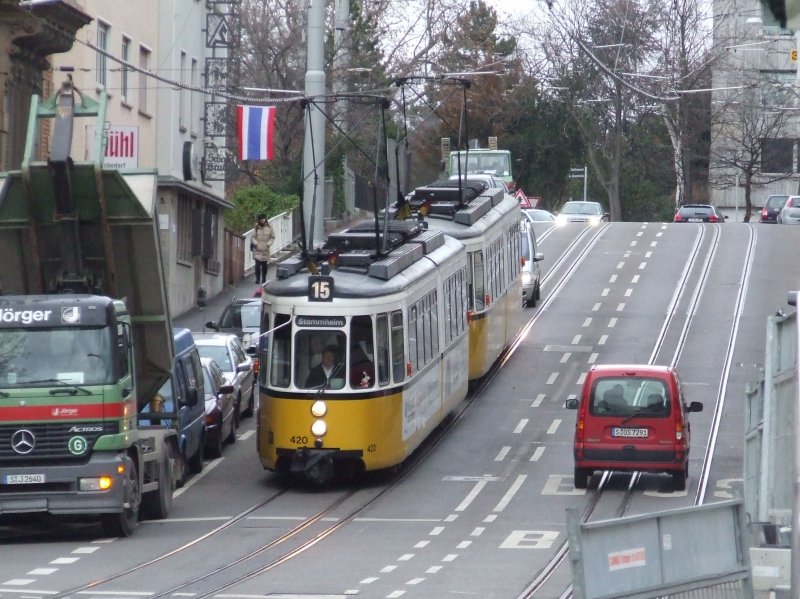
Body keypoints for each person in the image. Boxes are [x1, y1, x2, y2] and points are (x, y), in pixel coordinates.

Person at [251, 213, 275, 285]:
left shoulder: (269, 227)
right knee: (257, 265)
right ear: (259, 220)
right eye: (261, 219)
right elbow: (252, 237)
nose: (263, 220)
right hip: (257, 249)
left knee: (264, 265)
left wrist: (268, 244)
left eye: (264, 219)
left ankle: (264, 278)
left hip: (265, 249)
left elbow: (272, 237)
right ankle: (257, 279)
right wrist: (256, 243)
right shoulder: (256, 227)